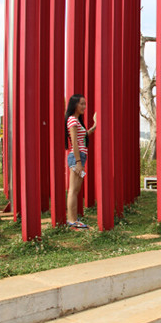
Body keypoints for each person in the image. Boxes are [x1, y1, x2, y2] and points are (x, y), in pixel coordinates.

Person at [65, 94, 96, 228]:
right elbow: (75, 144)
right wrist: (78, 163)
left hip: (80, 158)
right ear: (74, 105)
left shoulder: (77, 121)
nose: (84, 106)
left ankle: (73, 219)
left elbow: (83, 136)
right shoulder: (72, 120)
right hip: (76, 157)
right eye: (81, 104)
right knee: (73, 190)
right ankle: (72, 221)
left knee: (76, 190)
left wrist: (95, 124)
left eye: (85, 104)